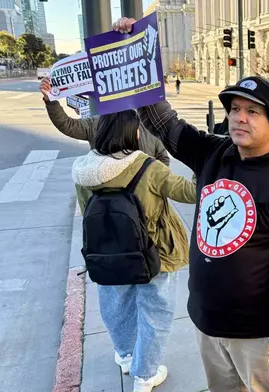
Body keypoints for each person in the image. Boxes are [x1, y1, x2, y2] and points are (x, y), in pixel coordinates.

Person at [114, 17, 269, 392]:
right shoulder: (214, 152)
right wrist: (137, 56)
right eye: (234, 109)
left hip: (258, 335)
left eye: (252, 111)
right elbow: (162, 122)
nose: (239, 118)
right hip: (208, 322)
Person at [71, 110, 196, 392]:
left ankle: (126, 356)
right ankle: (145, 374)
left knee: (116, 307)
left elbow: (86, 211)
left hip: (108, 253)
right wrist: (204, 164)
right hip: (157, 252)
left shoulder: (82, 172)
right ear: (134, 133)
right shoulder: (147, 167)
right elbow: (190, 192)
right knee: (155, 313)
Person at [39, 77, 170, 166]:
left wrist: (154, 182)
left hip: (144, 202)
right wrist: (51, 100)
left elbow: (163, 157)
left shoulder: (148, 125)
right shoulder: (98, 123)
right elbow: (67, 125)